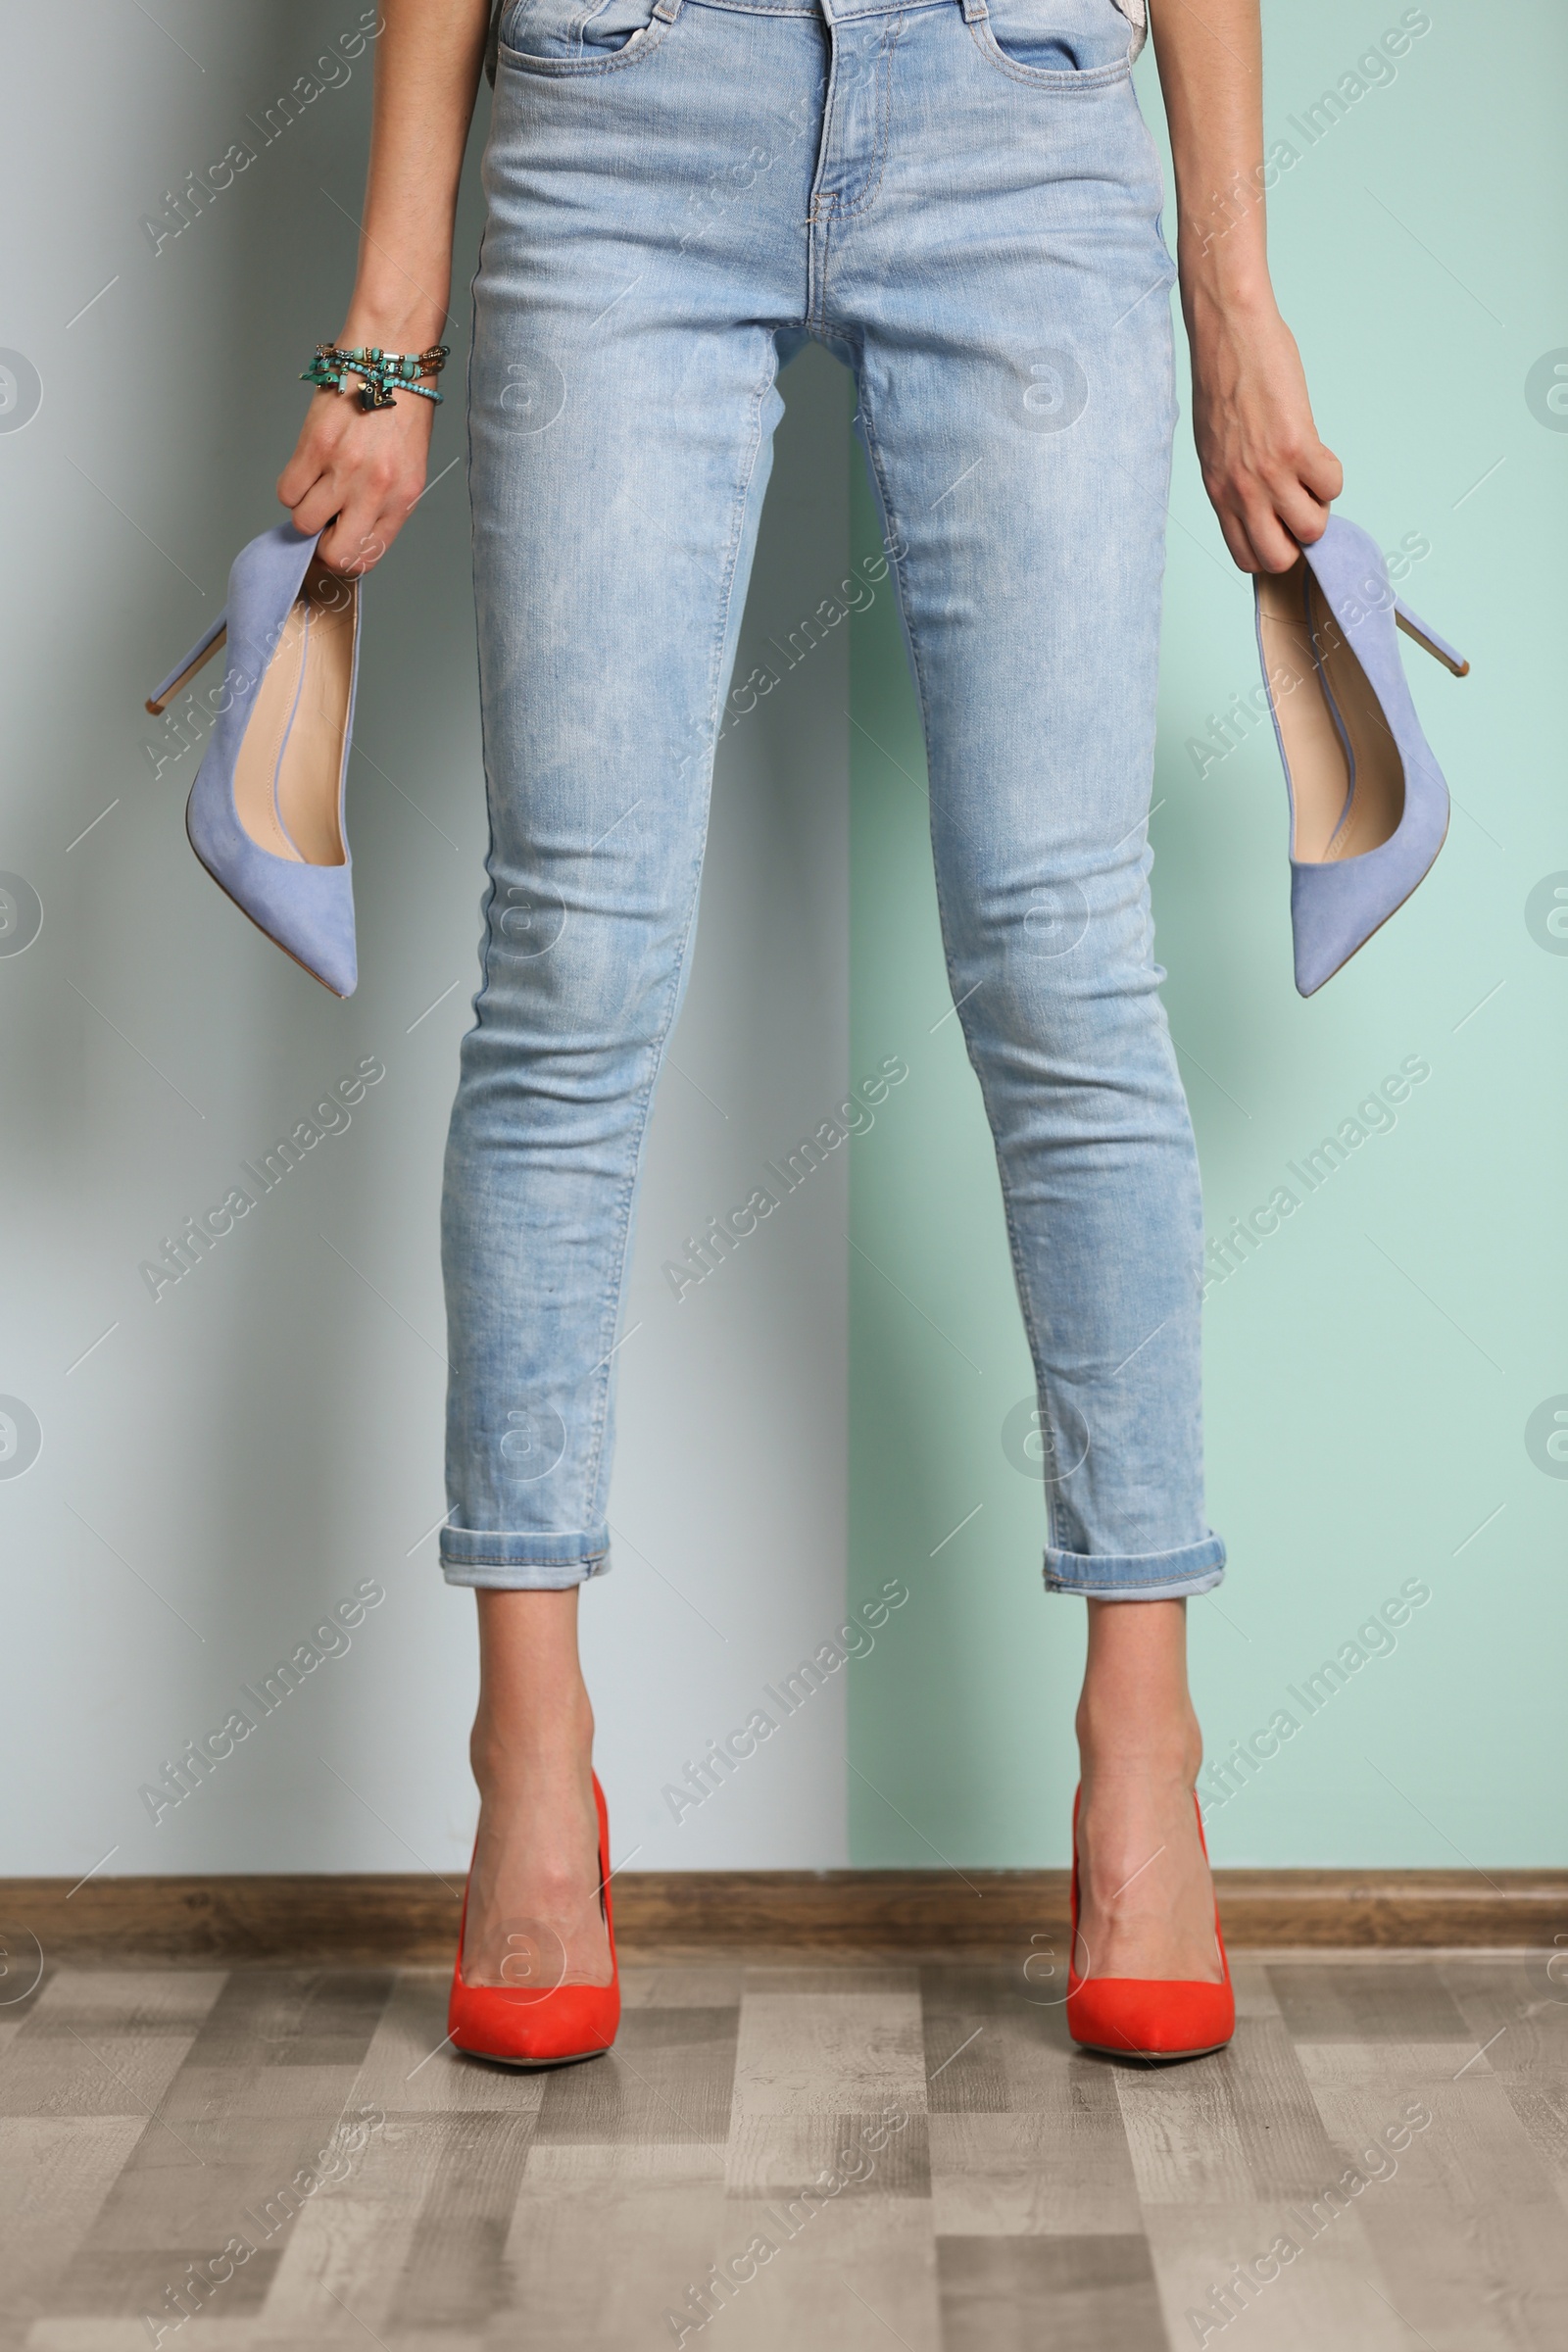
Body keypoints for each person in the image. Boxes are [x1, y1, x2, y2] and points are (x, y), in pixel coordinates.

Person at [278, 0, 1341, 2051]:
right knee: (571, 955)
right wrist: (383, 325)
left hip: (1016, 101)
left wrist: (1231, 294)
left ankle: (1144, 1757)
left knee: (1059, 952)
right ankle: (526, 1761)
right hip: (615, 99)